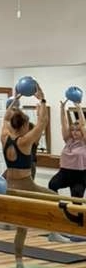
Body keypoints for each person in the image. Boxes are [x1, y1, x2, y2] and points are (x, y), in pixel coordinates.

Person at [2, 89, 50, 268]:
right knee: (57, 199)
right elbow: (43, 122)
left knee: (22, 226)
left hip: (9, 185)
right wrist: (42, 100)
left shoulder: (4, 138)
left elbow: (5, 118)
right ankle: (55, 231)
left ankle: (19, 264)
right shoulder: (25, 141)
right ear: (23, 126)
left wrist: (14, 101)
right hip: (26, 186)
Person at [47, 101, 86, 241]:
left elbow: (83, 124)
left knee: (77, 201)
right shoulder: (68, 141)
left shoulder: (84, 142)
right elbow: (63, 124)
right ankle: (59, 213)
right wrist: (62, 108)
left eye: (77, 130)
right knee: (52, 185)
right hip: (64, 173)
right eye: (73, 130)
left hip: (80, 175)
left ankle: (80, 229)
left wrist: (79, 108)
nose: (75, 132)